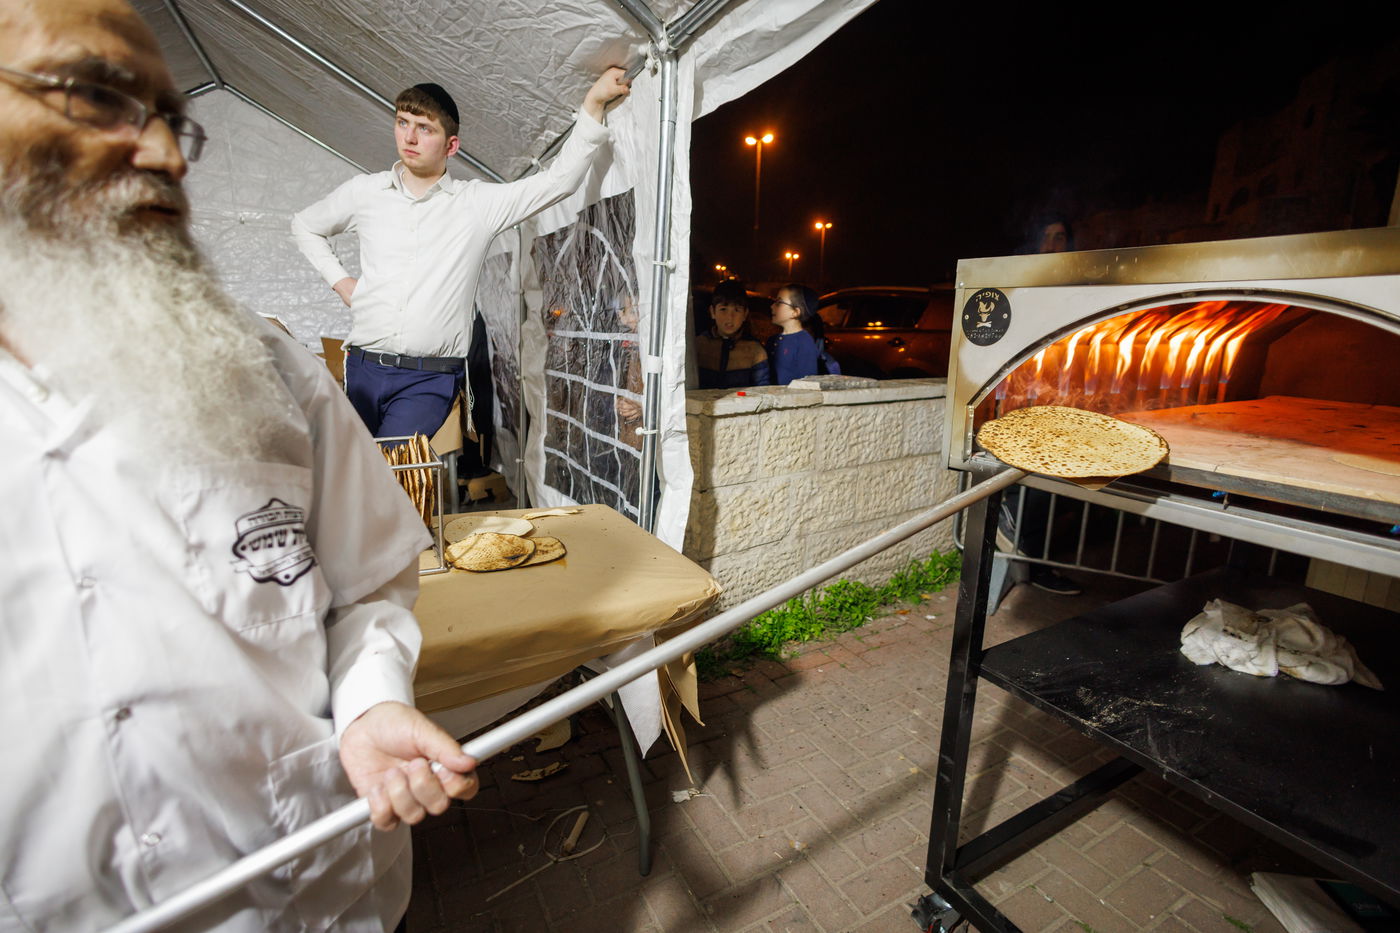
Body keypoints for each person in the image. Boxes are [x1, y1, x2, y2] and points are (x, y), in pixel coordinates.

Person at [0, 1, 479, 928]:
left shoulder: (269, 370)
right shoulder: (363, 195)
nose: (166, 156)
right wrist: (350, 285)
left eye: (172, 121)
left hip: (322, 900)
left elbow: (372, 586)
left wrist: (372, 701)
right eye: (99, 98)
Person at [292, 67, 632, 439]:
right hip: (363, 368)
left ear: (450, 145)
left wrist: (593, 103)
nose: (409, 136)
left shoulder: (477, 204)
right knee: (356, 478)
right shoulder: (364, 193)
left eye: (425, 128)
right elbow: (305, 225)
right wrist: (340, 281)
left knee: (400, 469)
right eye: (403, 122)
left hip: (429, 377)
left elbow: (558, 182)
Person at [1000, 216, 1082, 595]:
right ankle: (1025, 562)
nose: (1053, 244)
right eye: (1047, 237)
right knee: (1024, 492)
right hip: (1021, 403)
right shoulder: (1024, 284)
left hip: (1058, 403)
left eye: (1060, 237)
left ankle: (1034, 563)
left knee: (1048, 492)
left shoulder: (1076, 288)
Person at [695, 279, 769, 388]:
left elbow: (763, 391)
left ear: (745, 314)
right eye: (723, 309)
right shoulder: (699, 345)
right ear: (712, 312)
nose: (730, 317)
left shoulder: (755, 351)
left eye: (737, 310)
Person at [767, 283, 839, 385]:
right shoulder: (773, 340)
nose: (772, 306)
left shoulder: (803, 343)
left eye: (779, 302)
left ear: (795, 312)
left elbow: (806, 385)